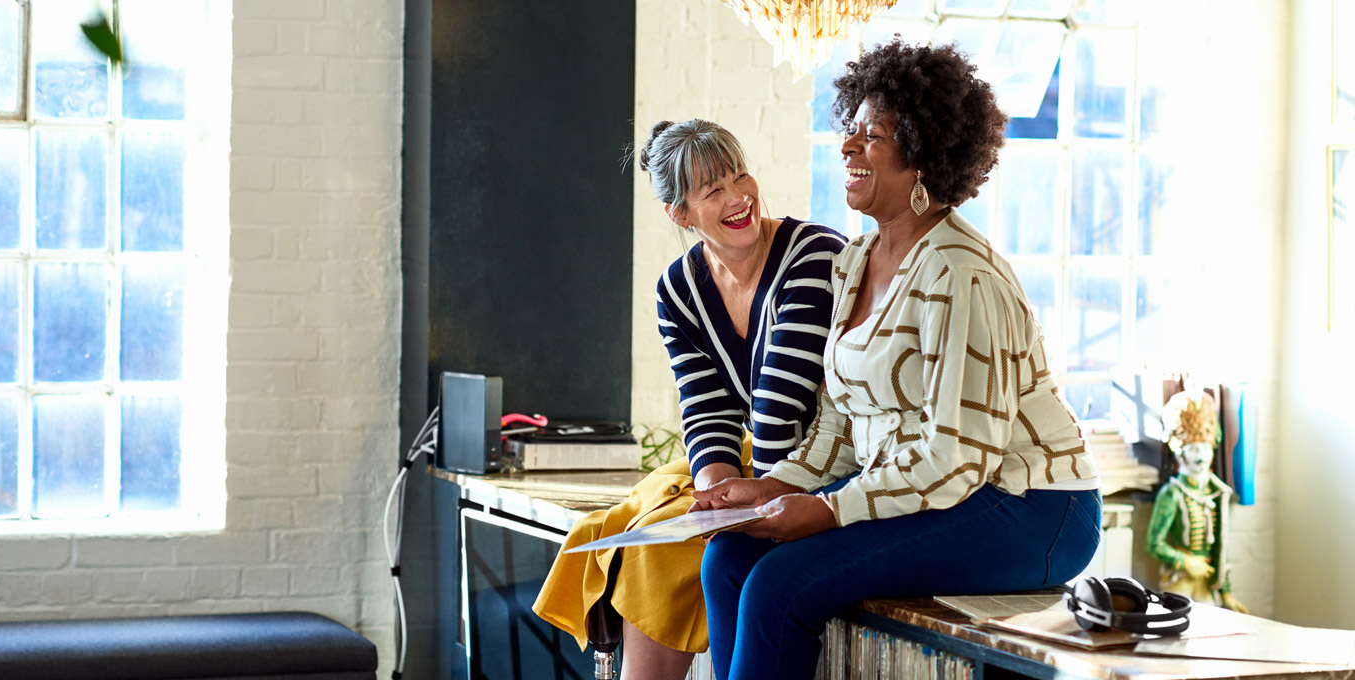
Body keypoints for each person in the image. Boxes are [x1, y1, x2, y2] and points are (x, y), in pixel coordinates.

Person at [692, 39, 1103, 680]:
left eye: (872, 136)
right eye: (851, 130)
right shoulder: (855, 263)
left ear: (921, 157)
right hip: (946, 489)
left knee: (780, 584)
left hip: (1027, 506)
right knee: (729, 557)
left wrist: (828, 509)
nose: (848, 146)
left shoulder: (959, 273)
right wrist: (772, 488)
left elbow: (956, 458)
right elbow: (840, 427)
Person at [532, 118, 846, 680]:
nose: (738, 197)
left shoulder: (813, 254)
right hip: (758, 468)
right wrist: (713, 495)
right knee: (652, 546)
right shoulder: (677, 290)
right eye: (713, 190)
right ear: (680, 214)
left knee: (707, 551)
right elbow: (706, 411)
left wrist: (743, 505)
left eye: (740, 176)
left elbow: (783, 403)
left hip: (829, 465)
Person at [1147, 390, 1246, 612]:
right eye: (1194, 450)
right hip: (1179, 580)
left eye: (1205, 449)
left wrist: (1226, 592)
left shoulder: (1217, 493)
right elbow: (1154, 543)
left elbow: (1221, 548)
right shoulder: (1172, 493)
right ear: (1180, 452)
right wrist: (1186, 562)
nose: (1201, 457)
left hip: (1207, 582)